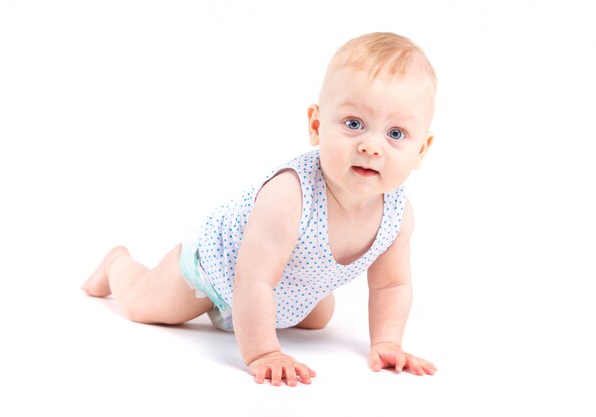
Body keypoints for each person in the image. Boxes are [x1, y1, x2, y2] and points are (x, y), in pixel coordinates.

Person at [82, 32, 438, 386]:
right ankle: (118, 265)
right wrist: (264, 352)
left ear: (421, 149)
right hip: (217, 273)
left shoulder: (397, 216)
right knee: (144, 307)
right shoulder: (289, 197)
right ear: (316, 125)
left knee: (319, 318)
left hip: (284, 292)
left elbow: (391, 285)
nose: (371, 146)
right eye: (354, 124)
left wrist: (388, 342)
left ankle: (256, 316)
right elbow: (252, 280)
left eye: (395, 134)